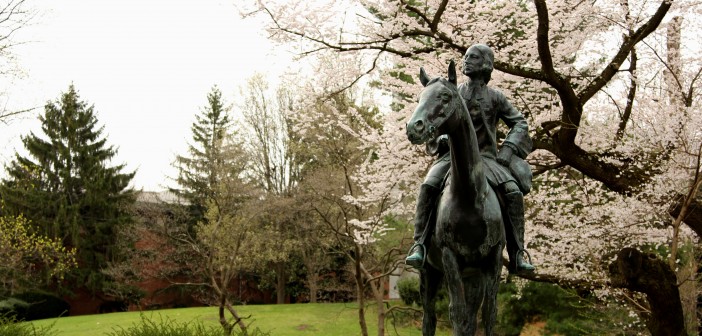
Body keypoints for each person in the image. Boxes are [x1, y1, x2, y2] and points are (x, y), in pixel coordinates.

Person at [405, 43, 535, 274]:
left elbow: (519, 122)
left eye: (473, 57)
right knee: (428, 186)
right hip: (451, 159)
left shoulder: (496, 97)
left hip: (488, 159)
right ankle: (419, 245)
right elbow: (437, 119)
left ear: (486, 64)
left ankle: (517, 253)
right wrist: (441, 139)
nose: (466, 61)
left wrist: (507, 150)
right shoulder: (454, 92)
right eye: (466, 57)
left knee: (513, 192)